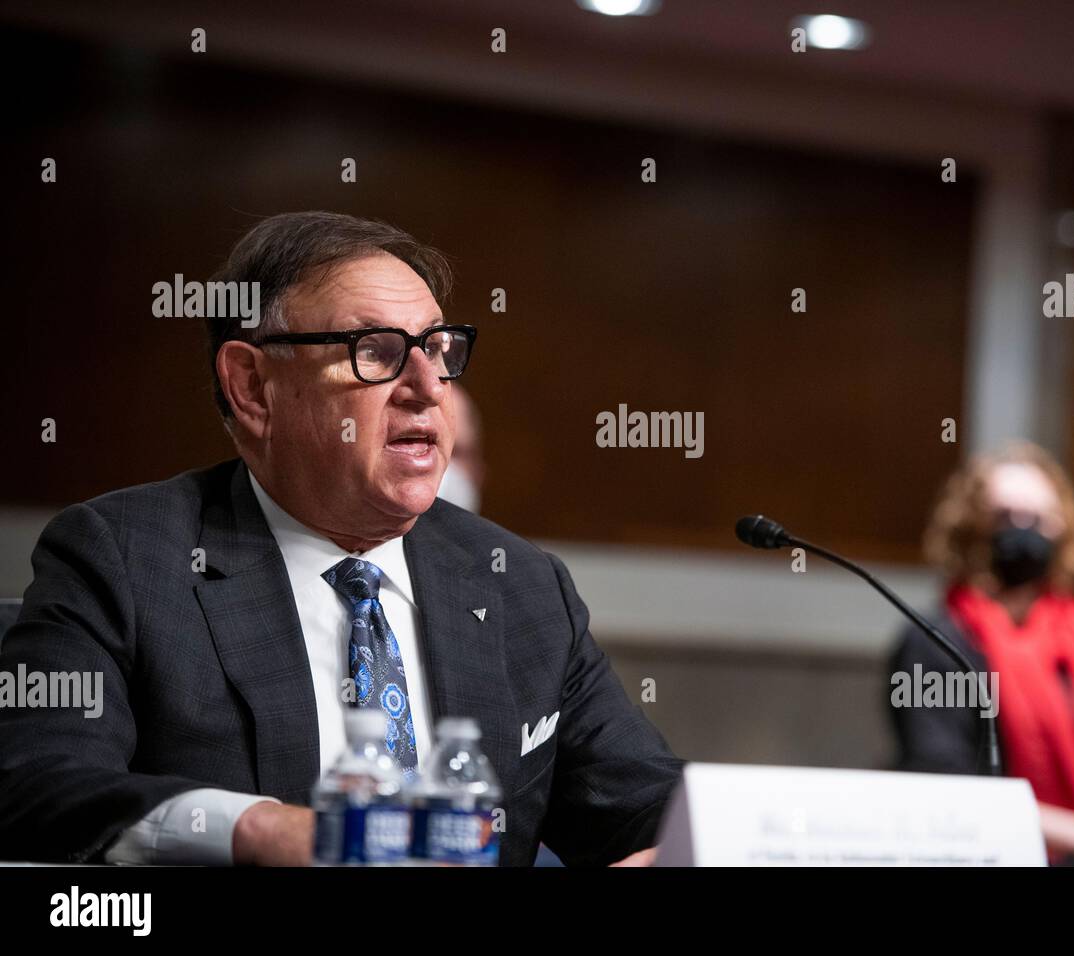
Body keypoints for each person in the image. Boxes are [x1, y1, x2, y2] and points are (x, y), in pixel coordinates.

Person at [0, 211, 682, 866]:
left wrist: (708, 844)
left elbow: (642, 802)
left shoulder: (520, 583)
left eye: (439, 350)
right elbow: (37, 784)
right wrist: (264, 830)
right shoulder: (122, 557)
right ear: (253, 386)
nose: (428, 389)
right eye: (377, 352)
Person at [889, 442, 1074, 863]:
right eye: (1005, 517)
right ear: (972, 528)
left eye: (1038, 519)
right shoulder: (937, 641)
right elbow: (946, 789)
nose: (1023, 529)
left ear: (1062, 529)